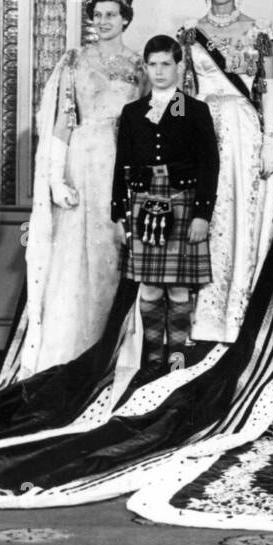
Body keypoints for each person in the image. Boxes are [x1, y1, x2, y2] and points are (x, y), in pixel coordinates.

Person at [0, 0, 145, 385]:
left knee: (113, 253)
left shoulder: (139, 65)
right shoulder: (75, 60)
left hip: (122, 163)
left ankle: (109, 353)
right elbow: (63, 121)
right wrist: (55, 179)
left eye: (111, 15)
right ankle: (68, 353)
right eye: (97, 15)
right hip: (83, 162)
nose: (103, 21)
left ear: (125, 19)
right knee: (76, 256)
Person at [176, 0, 273, 345]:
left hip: (244, 132)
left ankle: (240, 313)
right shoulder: (188, 32)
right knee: (209, 215)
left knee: (242, 214)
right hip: (204, 130)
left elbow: (268, 88)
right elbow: (182, 93)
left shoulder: (259, 31)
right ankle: (203, 317)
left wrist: (271, 141)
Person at [112, 35, 220, 374]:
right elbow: (121, 164)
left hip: (182, 201)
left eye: (166, 64)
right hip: (144, 204)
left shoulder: (194, 109)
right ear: (145, 67)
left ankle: (177, 361)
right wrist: (118, 214)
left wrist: (202, 214)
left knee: (177, 286)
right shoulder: (132, 112)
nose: (159, 72)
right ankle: (152, 361)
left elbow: (209, 165)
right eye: (152, 64)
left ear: (179, 67)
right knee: (149, 284)